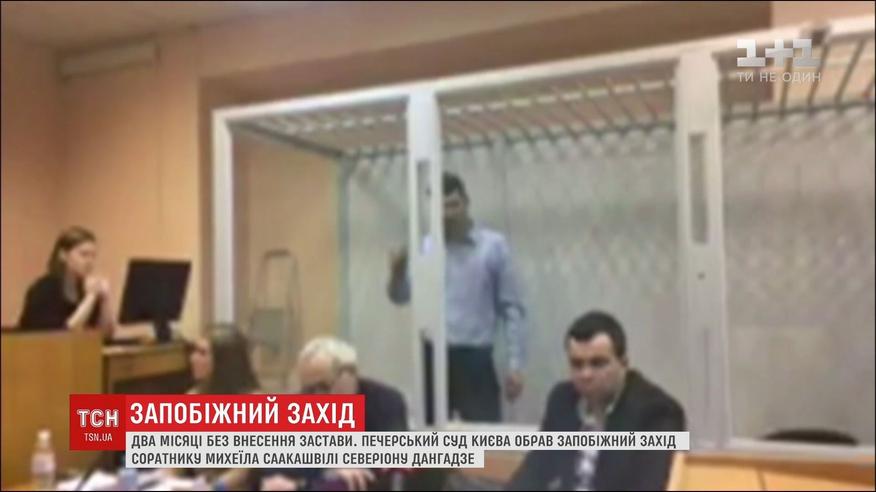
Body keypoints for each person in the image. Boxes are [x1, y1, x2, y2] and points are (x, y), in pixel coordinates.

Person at [387, 171, 526, 423]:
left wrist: (515, 365)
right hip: (433, 357)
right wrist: (397, 274)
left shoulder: (493, 246)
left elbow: (511, 308)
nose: (448, 214)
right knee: (430, 436)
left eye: (453, 205)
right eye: (440, 208)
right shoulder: (426, 247)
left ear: (466, 202)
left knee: (485, 438)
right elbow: (401, 297)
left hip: (475, 359)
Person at [508, 311, 685, 491]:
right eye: (577, 364)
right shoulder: (562, 400)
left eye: (598, 363)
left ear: (624, 363)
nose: (586, 374)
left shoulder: (659, 412)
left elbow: (650, 486)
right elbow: (534, 471)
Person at [259, 337, 408, 491]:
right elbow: (276, 471)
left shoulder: (384, 401)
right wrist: (327, 469)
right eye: (309, 390)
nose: (316, 397)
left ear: (349, 375)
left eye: (323, 387)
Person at [184, 326, 260, 489]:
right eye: (194, 351)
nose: (193, 358)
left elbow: (242, 472)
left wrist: (214, 488)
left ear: (224, 361)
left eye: (202, 353)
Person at [18, 226, 114, 336]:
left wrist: (105, 300)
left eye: (93, 256)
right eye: (84, 254)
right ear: (63, 255)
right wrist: (90, 296)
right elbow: (66, 333)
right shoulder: (44, 289)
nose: (90, 261)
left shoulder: (84, 288)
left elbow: (107, 333)